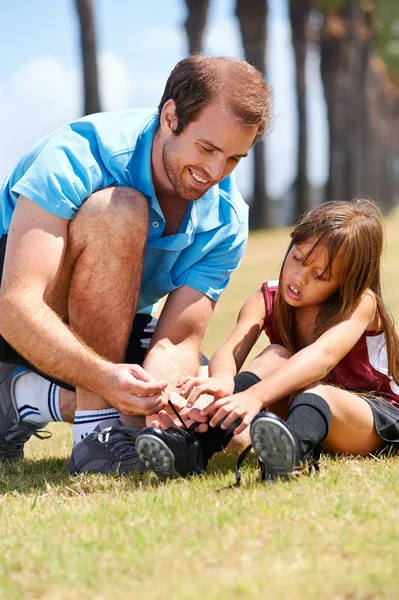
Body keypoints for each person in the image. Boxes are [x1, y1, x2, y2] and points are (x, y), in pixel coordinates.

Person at [0, 56, 273, 474]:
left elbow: (179, 340)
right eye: (207, 148)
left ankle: (22, 399)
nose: (216, 172)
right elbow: (15, 305)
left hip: (100, 326)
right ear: (170, 116)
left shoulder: (227, 218)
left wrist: (165, 404)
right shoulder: (78, 156)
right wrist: (106, 380)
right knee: (122, 208)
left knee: (221, 420)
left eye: (235, 159)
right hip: (16, 317)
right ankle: (96, 437)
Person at [135, 198, 399, 483]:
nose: (299, 278)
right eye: (297, 258)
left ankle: (291, 455)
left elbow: (321, 358)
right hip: (303, 411)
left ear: (346, 283)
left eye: (320, 275)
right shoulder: (268, 297)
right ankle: (194, 448)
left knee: (318, 390)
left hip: (368, 418)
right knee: (275, 354)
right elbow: (230, 348)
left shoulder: (360, 303)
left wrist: (255, 397)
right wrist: (224, 381)